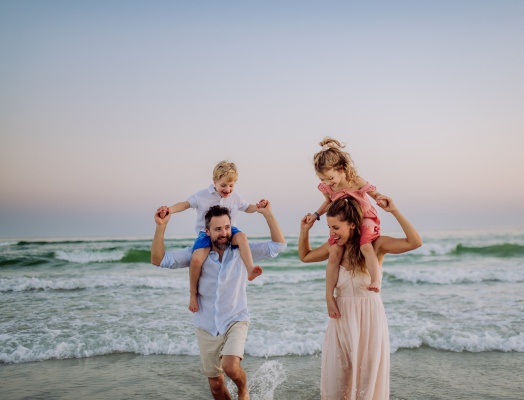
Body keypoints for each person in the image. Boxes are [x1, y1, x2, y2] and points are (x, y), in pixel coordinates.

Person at [151, 201, 286, 400]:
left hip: (235, 318)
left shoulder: (241, 248)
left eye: (227, 227)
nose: (224, 233)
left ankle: (243, 389)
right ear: (207, 231)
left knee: (230, 367)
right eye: (218, 229)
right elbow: (159, 259)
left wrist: (267, 214)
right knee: (216, 386)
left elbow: (278, 246)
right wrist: (161, 226)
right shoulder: (195, 254)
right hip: (205, 324)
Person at [299, 196, 422, 400]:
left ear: (353, 225)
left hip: (369, 320)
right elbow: (305, 256)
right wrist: (304, 231)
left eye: (336, 227)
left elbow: (415, 242)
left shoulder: (376, 245)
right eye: (329, 228)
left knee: (367, 377)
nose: (332, 233)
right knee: (340, 377)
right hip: (341, 319)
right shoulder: (334, 247)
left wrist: (395, 211)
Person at [156, 160, 266, 314]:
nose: (227, 189)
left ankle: (250, 269)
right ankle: (193, 294)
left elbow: (248, 208)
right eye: (223, 185)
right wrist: (170, 210)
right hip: (205, 233)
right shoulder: (202, 195)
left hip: (228, 231)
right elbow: (186, 204)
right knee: (196, 260)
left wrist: (259, 207)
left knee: (242, 236)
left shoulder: (236, 197)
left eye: (231, 185)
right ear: (214, 182)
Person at [305, 137, 387, 319]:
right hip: (345, 223)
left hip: (365, 217)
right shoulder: (327, 187)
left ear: (341, 169)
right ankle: (330, 296)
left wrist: (381, 197)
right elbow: (327, 203)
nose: (327, 183)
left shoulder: (355, 181)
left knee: (365, 245)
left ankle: (375, 280)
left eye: (330, 178)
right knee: (334, 253)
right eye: (322, 179)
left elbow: (374, 193)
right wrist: (316, 215)